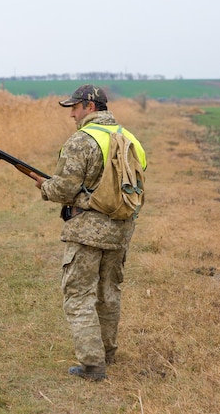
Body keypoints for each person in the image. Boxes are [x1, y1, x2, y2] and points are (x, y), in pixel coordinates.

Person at [29, 84, 146, 382]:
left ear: (90, 107)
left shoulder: (81, 140)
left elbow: (64, 188)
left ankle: (93, 365)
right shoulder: (130, 138)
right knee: (109, 293)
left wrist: (45, 185)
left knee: (78, 294)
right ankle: (108, 353)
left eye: (75, 107)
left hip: (86, 231)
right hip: (121, 229)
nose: (71, 114)